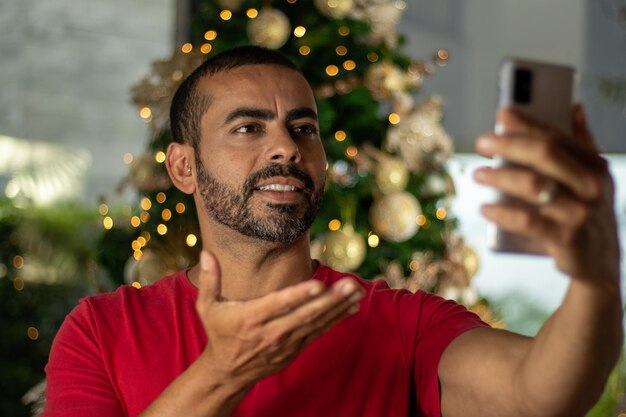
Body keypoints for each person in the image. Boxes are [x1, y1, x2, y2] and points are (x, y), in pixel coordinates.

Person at [42, 46, 623, 417]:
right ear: (183, 167)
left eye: (303, 128)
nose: (285, 148)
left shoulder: (403, 324)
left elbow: (542, 393)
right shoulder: (101, 330)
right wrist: (224, 372)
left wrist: (596, 280)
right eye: (248, 127)